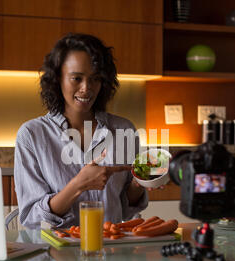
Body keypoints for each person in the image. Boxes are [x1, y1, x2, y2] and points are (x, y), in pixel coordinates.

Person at [14, 33, 150, 229]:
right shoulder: (32, 135)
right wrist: (78, 185)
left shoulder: (123, 129)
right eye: (76, 78)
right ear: (57, 79)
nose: (87, 88)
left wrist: (141, 182)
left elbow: (124, 208)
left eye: (95, 79)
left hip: (111, 250)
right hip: (56, 254)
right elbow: (32, 219)